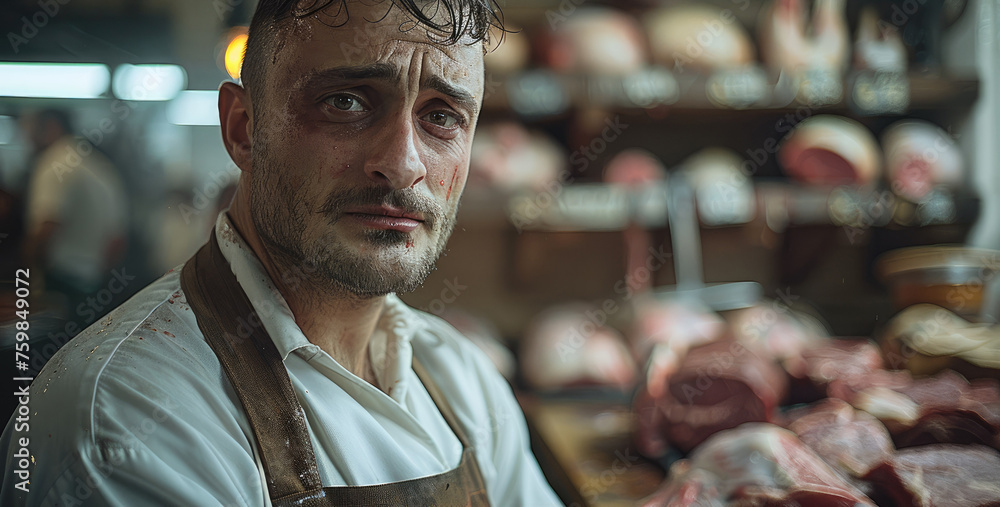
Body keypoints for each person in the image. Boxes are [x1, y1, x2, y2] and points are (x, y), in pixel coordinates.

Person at [0, 1, 562, 505]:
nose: (404, 164)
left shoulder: (463, 383)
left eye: (441, 116)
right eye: (346, 102)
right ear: (243, 129)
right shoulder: (129, 421)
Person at [19, 109, 128, 323]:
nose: (27, 139)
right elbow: (117, 240)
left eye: (29, 131)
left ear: (51, 128)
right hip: (92, 286)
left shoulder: (54, 163)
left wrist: (23, 276)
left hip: (58, 285)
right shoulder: (100, 167)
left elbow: (47, 225)